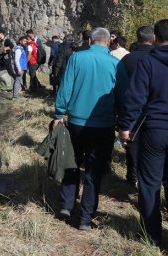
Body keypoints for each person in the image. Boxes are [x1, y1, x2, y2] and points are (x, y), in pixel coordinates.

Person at [53, 28, 128, 231]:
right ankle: (85, 218)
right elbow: (122, 97)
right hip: (103, 125)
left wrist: (59, 114)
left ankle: (67, 206)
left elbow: (65, 87)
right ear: (108, 42)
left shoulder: (77, 58)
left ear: (91, 40)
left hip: (77, 122)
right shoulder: (116, 64)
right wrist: (123, 124)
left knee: (72, 163)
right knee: (94, 172)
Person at [118, 19, 168, 247]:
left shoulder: (147, 62)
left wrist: (125, 127)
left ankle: (152, 237)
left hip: (154, 130)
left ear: (154, 37)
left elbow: (135, 98)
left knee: (150, 183)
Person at [119, 26, 154, 188]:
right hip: (155, 109)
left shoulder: (128, 59)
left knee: (132, 143)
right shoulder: (157, 57)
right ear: (153, 38)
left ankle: (132, 175)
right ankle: (147, 178)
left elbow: (119, 85)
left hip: (132, 108)